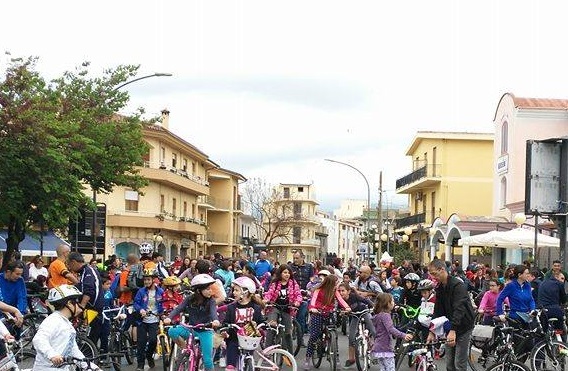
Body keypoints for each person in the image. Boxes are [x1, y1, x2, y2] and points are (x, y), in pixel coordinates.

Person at [32, 284, 99, 371]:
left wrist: (90, 366)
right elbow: (39, 339)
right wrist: (52, 355)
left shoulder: (67, 323)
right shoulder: (53, 320)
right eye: (77, 302)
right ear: (69, 304)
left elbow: (73, 350)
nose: (80, 307)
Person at [165, 274, 220, 371]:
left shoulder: (211, 301)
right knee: (172, 331)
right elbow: (179, 308)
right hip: (190, 329)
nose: (210, 291)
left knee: (207, 360)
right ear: (199, 290)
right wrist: (169, 317)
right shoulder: (189, 299)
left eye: (210, 288)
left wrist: (215, 321)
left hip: (205, 330)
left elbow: (213, 313)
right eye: (207, 289)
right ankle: (185, 348)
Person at [427, 259, 475, 371]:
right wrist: (431, 331)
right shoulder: (439, 287)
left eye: (434, 273)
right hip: (450, 325)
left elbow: (459, 309)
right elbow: (438, 310)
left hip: (464, 326)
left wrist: (453, 331)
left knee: (459, 363)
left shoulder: (458, 285)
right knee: (449, 364)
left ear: (442, 269)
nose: (433, 277)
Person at [303, 274, 351, 370]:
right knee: (314, 335)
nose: (337, 285)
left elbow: (341, 300)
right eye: (336, 283)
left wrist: (347, 307)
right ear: (330, 283)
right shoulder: (318, 290)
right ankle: (307, 359)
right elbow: (313, 301)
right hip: (318, 313)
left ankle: (336, 359)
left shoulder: (334, 291)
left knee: (334, 335)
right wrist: (312, 309)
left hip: (329, 313)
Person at [222, 276, 264, 371]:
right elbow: (226, 322)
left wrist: (265, 324)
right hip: (234, 339)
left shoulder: (256, 308)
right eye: (234, 290)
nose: (234, 293)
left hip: (249, 340)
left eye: (236, 290)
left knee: (249, 361)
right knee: (231, 365)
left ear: (246, 292)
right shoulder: (231, 308)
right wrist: (225, 329)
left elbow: (261, 321)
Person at [67, 252, 105, 350]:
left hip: (93, 309)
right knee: (91, 336)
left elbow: (89, 290)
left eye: (69, 264)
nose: (69, 267)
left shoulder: (88, 272)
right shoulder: (85, 271)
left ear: (74, 262)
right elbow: (82, 287)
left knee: (91, 338)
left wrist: (81, 306)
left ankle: (89, 360)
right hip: (92, 308)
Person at [263, 264, 302, 354]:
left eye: (288, 273)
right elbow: (270, 293)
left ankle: (289, 354)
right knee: (271, 327)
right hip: (275, 307)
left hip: (287, 308)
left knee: (288, 332)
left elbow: (298, 294)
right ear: (280, 273)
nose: (287, 274)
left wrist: (297, 302)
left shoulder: (293, 284)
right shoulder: (275, 283)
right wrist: (266, 300)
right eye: (285, 272)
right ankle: (266, 352)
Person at [338, 282, 375, 369]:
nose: (341, 293)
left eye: (343, 291)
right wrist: (341, 313)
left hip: (364, 312)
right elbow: (339, 310)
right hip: (354, 316)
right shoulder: (341, 300)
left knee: (373, 330)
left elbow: (366, 300)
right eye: (339, 291)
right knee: (351, 337)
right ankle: (351, 360)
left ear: (348, 291)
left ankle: (379, 350)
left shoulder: (354, 296)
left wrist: (374, 307)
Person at [371, 293, 413, 371]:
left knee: (383, 368)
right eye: (392, 301)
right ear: (387, 303)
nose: (394, 303)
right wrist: (403, 335)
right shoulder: (385, 316)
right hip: (385, 347)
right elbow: (391, 329)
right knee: (390, 368)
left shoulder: (378, 315)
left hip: (379, 346)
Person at [133, 268, 164, 371]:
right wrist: (141, 309)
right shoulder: (141, 291)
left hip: (154, 320)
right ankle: (140, 364)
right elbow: (136, 303)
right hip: (142, 320)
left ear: (153, 280)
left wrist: (163, 313)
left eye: (148, 279)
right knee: (141, 343)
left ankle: (149, 356)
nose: (146, 282)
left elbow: (164, 303)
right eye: (145, 280)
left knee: (153, 340)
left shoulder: (160, 291)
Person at [289, 251, 315, 338]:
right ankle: (291, 330)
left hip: (304, 295)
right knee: (291, 316)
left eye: (297, 258)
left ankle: (301, 338)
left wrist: (311, 288)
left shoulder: (309, 267)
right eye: (294, 258)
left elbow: (312, 280)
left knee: (302, 317)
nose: (295, 260)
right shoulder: (290, 267)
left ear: (302, 257)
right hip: (293, 295)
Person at [537, 271, 567, 336]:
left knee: (544, 331)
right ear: (556, 277)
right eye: (562, 278)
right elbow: (564, 299)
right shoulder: (559, 284)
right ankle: (561, 343)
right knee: (561, 330)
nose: (563, 281)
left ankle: (544, 342)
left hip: (542, 311)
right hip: (554, 311)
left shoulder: (542, 283)